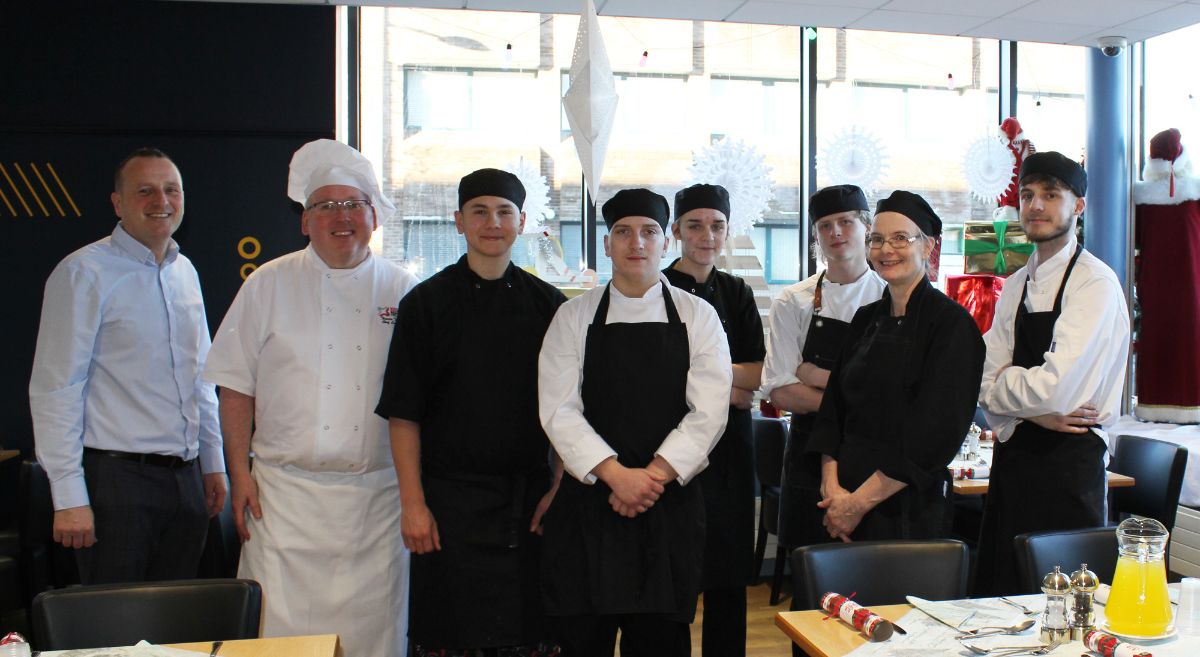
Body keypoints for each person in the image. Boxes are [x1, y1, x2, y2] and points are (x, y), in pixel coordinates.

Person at [203, 139, 418, 657]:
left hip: (377, 503)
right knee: (280, 640)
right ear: (304, 220)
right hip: (283, 502)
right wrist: (240, 474)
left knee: (374, 641)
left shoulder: (404, 290)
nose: (340, 217)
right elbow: (235, 387)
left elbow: (421, 403)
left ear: (375, 216)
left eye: (354, 205)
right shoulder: (267, 285)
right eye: (325, 206)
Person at [376, 168, 566, 656]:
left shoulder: (549, 307)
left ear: (521, 222)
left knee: (527, 637)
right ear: (458, 221)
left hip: (528, 505)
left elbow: (571, 410)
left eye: (504, 212)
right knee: (449, 637)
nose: (492, 222)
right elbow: (404, 415)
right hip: (447, 507)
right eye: (479, 211)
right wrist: (413, 505)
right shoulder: (425, 304)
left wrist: (560, 489)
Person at [538, 188, 732, 657]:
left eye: (648, 232)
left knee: (661, 643)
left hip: (667, 508)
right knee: (584, 640)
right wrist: (616, 476)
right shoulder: (573, 316)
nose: (636, 243)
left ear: (665, 242)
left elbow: (709, 411)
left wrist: (651, 478)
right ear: (607, 244)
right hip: (589, 506)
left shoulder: (699, 316)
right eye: (623, 232)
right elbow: (558, 409)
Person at [29, 147, 225, 584]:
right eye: (145, 191)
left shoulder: (185, 272)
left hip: (186, 482)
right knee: (114, 637)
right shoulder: (84, 273)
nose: (162, 201)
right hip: (116, 485)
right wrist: (68, 497)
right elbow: (56, 389)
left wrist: (213, 463)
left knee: (175, 635)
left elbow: (201, 380)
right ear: (118, 203)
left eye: (171, 189)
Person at [975, 152, 1130, 596]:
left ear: (1078, 206)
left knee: (1062, 605)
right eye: (1027, 195)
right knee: (1001, 597)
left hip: (1069, 470)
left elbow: (1058, 390)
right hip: (1012, 467)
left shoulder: (1094, 284)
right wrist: (1034, 413)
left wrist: (1018, 399)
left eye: (1050, 194)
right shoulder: (1017, 284)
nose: (1036, 206)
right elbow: (983, 381)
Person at [807, 190, 985, 541]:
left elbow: (934, 435)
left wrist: (858, 504)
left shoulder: (952, 326)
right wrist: (833, 490)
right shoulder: (864, 319)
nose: (886, 250)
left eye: (901, 238)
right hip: (841, 500)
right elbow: (833, 412)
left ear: (928, 246)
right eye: (877, 239)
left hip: (906, 508)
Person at [662, 183, 764, 657]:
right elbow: (657, 379)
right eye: (696, 225)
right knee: (674, 576)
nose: (707, 235)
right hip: (671, 450)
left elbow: (759, 373)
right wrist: (729, 385)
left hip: (730, 455)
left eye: (717, 226)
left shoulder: (737, 291)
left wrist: (700, 378)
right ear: (677, 230)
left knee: (728, 576)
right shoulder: (656, 290)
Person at [764, 184, 884, 551]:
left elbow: (896, 390)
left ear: (865, 226)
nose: (835, 233)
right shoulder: (793, 301)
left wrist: (813, 375)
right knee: (810, 573)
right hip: (808, 455)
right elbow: (780, 390)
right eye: (825, 225)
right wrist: (856, 395)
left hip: (874, 458)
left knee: (873, 577)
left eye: (845, 222)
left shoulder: (890, 295)